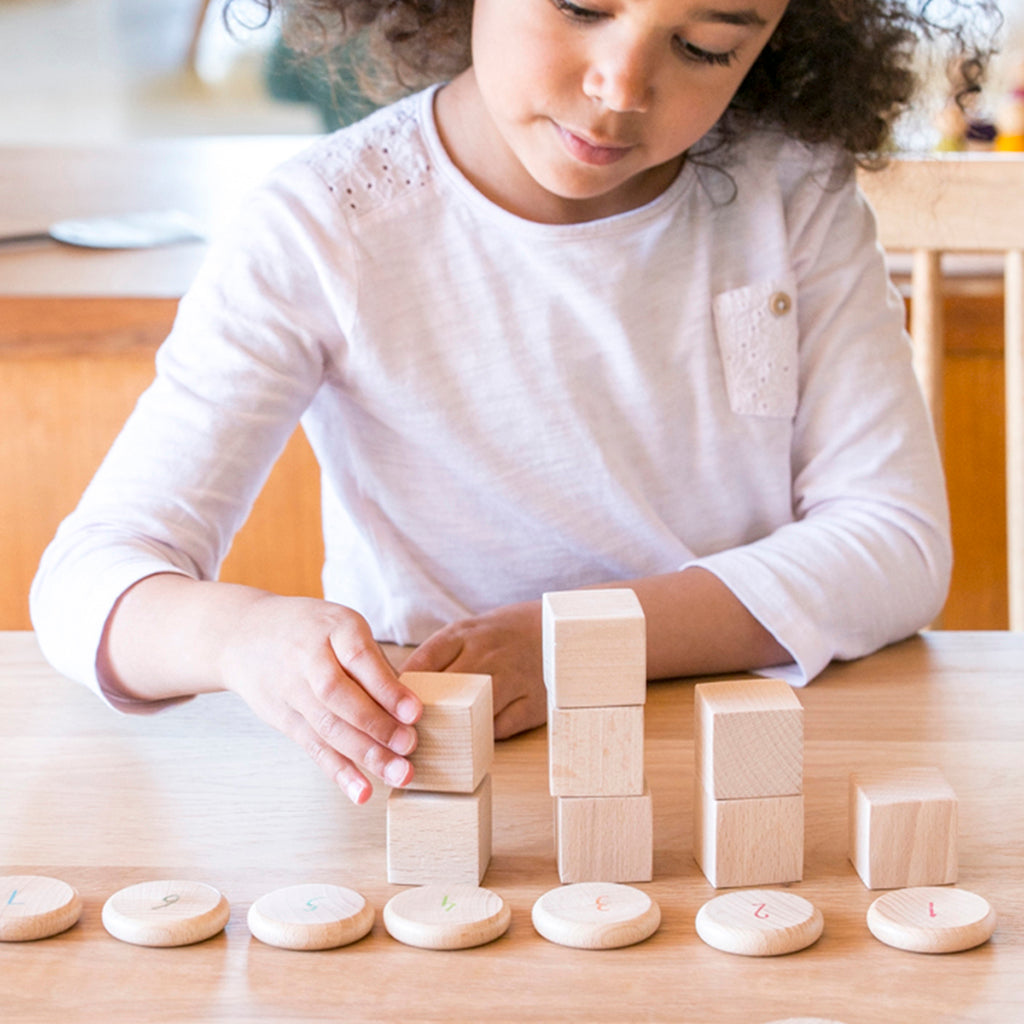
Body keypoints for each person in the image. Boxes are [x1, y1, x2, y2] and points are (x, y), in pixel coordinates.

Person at [31, 0, 998, 805]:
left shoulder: (791, 192)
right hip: (449, 787)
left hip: (745, 770)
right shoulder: (325, 225)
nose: (622, 88)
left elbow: (895, 545)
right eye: (581, 6)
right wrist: (242, 639)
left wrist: (574, 643)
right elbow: (85, 584)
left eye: (706, 46)